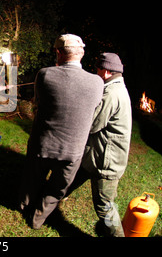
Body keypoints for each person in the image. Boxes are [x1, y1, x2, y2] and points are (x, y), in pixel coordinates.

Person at [19, 34, 104, 230]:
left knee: (32, 178)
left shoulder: (45, 74)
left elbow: (38, 103)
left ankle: (24, 205)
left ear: (58, 52)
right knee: (57, 188)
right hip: (73, 150)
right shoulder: (97, 82)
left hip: (43, 144)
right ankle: (38, 219)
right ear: (81, 54)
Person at [65, 52, 132, 237]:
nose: (96, 72)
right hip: (94, 156)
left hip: (105, 162)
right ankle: (46, 205)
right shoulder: (115, 88)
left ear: (107, 72)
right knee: (66, 181)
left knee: (105, 206)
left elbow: (93, 124)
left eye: (98, 69)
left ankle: (117, 235)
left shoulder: (111, 93)